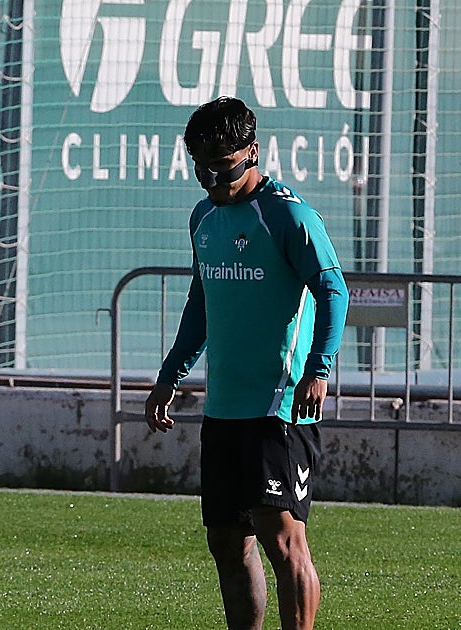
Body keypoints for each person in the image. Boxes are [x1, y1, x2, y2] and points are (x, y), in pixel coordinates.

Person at [144, 97, 348, 630]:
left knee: (283, 540)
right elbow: (201, 304)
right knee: (228, 543)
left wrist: (319, 369)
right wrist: (171, 375)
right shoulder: (204, 217)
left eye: (223, 164)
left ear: (252, 152)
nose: (211, 176)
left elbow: (333, 290)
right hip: (224, 407)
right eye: (200, 165)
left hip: (278, 405)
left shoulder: (287, 215)